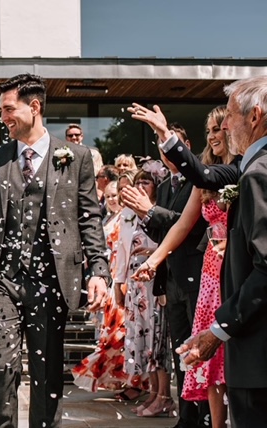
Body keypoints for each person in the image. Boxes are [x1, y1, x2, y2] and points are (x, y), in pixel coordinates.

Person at [0, 73, 109, 428]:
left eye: (9, 109)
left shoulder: (76, 157)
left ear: (34, 107)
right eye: (2, 110)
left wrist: (99, 271)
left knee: (47, 372)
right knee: (2, 364)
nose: (3, 117)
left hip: (51, 281)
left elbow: (89, 220)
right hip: (2, 281)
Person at [131, 75, 267, 428]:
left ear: (256, 116)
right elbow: (204, 174)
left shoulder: (259, 173)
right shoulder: (245, 167)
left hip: (257, 347)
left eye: (230, 116)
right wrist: (166, 136)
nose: (223, 126)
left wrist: (219, 329)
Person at [133, 106, 232, 428]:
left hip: (230, 272)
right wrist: (152, 260)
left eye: (220, 128)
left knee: (227, 359)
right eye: (210, 131)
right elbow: (178, 227)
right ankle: (199, 421)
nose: (214, 136)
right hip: (204, 274)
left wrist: (164, 134)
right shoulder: (200, 177)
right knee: (202, 357)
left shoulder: (243, 169)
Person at [120, 123, 210, 428]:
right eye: (161, 145)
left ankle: (203, 417)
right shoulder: (168, 184)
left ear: (186, 145)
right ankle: (187, 418)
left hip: (196, 277)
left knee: (197, 351)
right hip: (170, 280)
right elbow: (165, 230)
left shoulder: (198, 179)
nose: (166, 150)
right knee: (179, 352)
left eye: (171, 144)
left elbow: (189, 226)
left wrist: (150, 210)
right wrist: (144, 213)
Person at [114, 162, 174, 418]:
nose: (139, 186)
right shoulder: (127, 216)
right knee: (144, 343)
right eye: (137, 182)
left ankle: (164, 397)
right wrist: (118, 283)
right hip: (135, 286)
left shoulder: (160, 214)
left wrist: (152, 253)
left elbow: (171, 241)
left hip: (155, 283)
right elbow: (121, 252)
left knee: (158, 340)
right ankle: (153, 394)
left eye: (145, 183)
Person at [72, 178, 133, 393]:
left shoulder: (127, 217)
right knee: (109, 329)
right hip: (106, 275)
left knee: (120, 330)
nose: (112, 199)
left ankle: (133, 382)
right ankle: (121, 379)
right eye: (108, 197)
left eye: (115, 195)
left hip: (122, 273)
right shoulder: (107, 219)